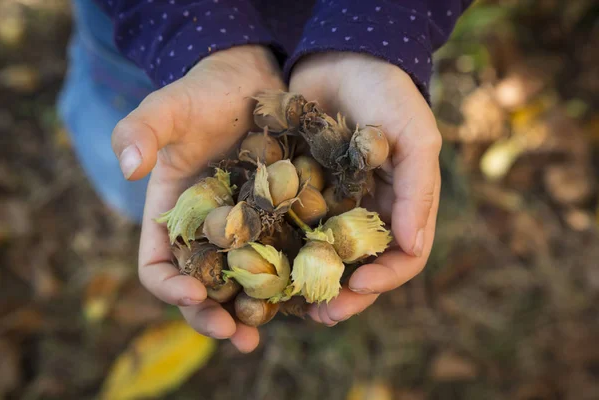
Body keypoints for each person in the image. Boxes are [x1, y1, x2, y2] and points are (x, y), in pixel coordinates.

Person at [58, 0, 472, 353]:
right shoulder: (272, 189)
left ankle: (293, 295)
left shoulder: (297, 180)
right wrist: (197, 37)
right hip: (160, 42)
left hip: (370, 37)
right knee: (140, 187)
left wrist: (378, 28)